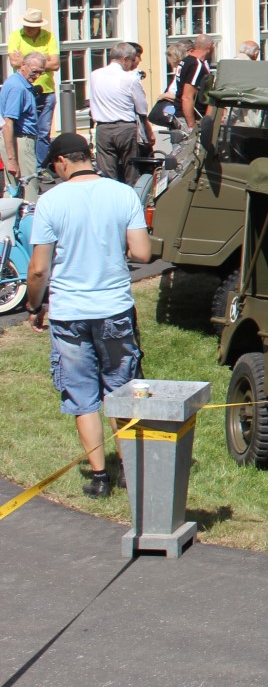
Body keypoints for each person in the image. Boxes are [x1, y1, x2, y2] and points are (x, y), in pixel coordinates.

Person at [24, 132, 152, 498]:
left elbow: (37, 270)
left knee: (82, 396)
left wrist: (35, 305)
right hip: (114, 307)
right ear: (88, 155)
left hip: (69, 313)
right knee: (121, 389)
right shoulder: (123, 193)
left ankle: (99, 477)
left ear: (61, 163)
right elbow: (142, 253)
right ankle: (129, 468)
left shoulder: (50, 202)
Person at [86, 42, 152, 186]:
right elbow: (142, 108)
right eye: (133, 59)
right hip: (125, 128)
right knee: (131, 170)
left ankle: (111, 200)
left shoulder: (95, 75)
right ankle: (132, 200)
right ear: (125, 59)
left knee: (107, 172)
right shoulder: (129, 78)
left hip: (103, 128)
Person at [9, 8, 60, 167]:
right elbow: (14, 62)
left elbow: (56, 64)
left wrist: (27, 61)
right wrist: (43, 60)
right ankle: (25, 165)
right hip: (24, 91)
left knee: (43, 132)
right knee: (22, 131)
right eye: (25, 25)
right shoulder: (16, 35)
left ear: (39, 26)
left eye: (31, 26)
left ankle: (39, 167)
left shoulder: (49, 37)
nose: (27, 28)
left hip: (46, 91)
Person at [2, 53, 45, 202]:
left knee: (14, 189)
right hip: (19, 140)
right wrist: (12, 159)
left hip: (19, 140)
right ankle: (30, 223)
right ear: (23, 65)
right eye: (34, 71)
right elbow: (8, 124)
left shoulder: (19, 83)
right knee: (29, 187)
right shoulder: (17, 87)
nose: (37, 75)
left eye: (41, 72)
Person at [173, 32, 215, 134]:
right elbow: (187, 97)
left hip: (180, 114)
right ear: (209, 47)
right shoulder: (196, 65)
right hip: (188, 118)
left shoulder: (186, 61)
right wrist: (191, 126)